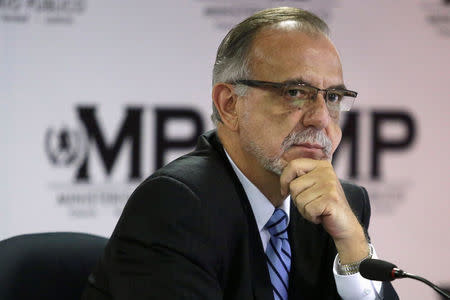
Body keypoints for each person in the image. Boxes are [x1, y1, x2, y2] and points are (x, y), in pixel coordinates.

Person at [82, 7, 398, 300]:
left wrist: (354, 247)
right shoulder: (176, 205)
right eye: (295, 92)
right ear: (229, 105)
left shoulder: (342, 206)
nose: (321, 118)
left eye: (332, 97)